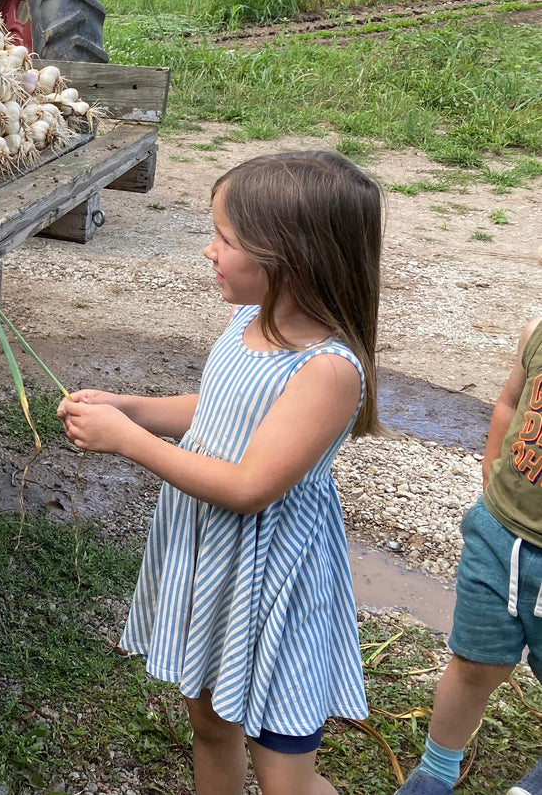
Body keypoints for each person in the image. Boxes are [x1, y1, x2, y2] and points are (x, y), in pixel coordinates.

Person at [60, 150, 382, 795]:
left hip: (274, 578)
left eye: (225, 239)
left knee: (284, 775)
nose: (209, 251)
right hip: (214, 562)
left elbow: (248, 487)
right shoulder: (247, 320)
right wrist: (133, 409)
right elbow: (220, 411)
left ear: (290, 257)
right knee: (209, 724)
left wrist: (128, 442)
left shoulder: (328, 370)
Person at [393, 315, 542, 795]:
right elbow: (508, 403)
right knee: (474, 661)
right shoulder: (537, 331)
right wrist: (489, 479)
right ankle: (436, 771)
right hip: (498, 536)